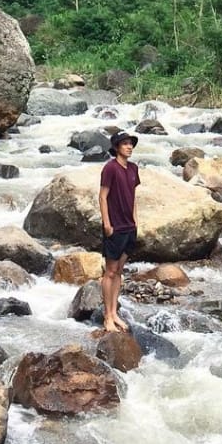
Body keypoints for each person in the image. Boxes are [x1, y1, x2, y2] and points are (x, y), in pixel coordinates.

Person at [98, 131, 140, 333]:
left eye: (130, 143)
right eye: (125, 144)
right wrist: (107, 223)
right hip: (115, 227)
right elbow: (102, 196)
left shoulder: (133, 168)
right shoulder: (110, 168)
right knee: (110, 272)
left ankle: (115, 313)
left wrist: (135, 221)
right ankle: (107, 316)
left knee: (119, 271)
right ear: (116, 148)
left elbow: (133, 196)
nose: (129, 147)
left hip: (129, 227)